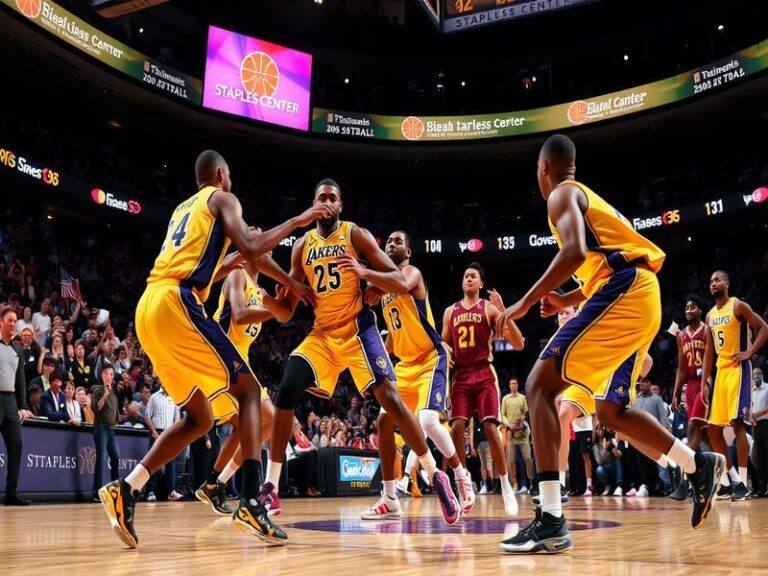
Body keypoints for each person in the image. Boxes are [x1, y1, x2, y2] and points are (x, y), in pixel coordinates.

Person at [496, 134, 724, 554]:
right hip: (639, 293)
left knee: (538, 385)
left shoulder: (561, 193)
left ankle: (550, 519)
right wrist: (567, 298)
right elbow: (599, 259)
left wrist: (524, 302)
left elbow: (573, 250)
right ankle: (697, 465)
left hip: (626, 290)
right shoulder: (587, 197)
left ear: (543, 169)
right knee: (611, 411)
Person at [97, 149, 329, 549]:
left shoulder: (183, 210)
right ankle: (253, 501)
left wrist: (290, 285)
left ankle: (128, 488)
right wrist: (300, 219)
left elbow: (237, 259)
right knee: (251, 391)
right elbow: (251, 247)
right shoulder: (223, 198)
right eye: (231, 176)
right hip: (177, 302)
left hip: (148, 306)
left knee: (199, 419)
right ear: (221, 174)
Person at [260, 179, 460, 529]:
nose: (326, 202)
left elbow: (397, 278)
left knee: (393, 405)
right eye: (321, 196)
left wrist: (368, 276)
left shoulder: (356, 236)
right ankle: (271, 487)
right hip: (322, 335)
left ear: (341, 206)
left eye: (332, 198)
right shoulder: (301, 247)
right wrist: (269, 296)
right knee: (287, 387)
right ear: (312, 203)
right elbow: (286, 313)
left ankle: (435, 474)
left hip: (358, 331)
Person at [362, 230, 474, 518]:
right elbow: (392, 337)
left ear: (408, 252)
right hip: (405, 366)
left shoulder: (409, 272)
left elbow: (400, 284)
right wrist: (376, 370)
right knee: (384, 422)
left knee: (427, 419)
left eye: (398, 241)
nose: (392, 244)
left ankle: (461, 475)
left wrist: (366, 273)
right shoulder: (385, 290)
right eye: (388, 242)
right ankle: (389, 498)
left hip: (429, 359)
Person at [196, 248, 293, 516]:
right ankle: (236, 491)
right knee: (262, 421)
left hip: (240, 362)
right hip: (220, 359)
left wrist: (274, 304)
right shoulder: (237, 274)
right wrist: (274, 310)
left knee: (254, 427)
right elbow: (238, 315)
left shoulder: (259, 291)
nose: (265, 246)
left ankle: (215, 484)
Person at [442, 262, 523, 516]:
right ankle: (464, 483)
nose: (468, 279)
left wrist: (503, 311)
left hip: (484, 374)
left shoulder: (488, 308)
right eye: (465, 275)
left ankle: (505, 485)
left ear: (480, 284)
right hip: (461, 377)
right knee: (456, 427)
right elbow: (442, 347)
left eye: (473, 276)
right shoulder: (449, 312)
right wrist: (442, 348)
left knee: (490, 427)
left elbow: (518, 343)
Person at [700, 270, 768, 501]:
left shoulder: (738, 306)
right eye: (710, 281)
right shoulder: (709, 315)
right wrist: (704, 382)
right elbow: (709, 351)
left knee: (737, 424)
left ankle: (743, 483)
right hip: (721, 373)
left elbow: (763, 327)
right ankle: (731, 483)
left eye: (717, 279)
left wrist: (750, 351)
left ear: (727, 283)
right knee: (712, 430)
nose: (713, 283)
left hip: (739, 369)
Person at [669, 296, 709, 500]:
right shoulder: (681, 335)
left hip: (705, 383)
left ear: (700, 311)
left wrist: (707, 384)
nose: (688, 310)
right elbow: (682, 368)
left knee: (694, 428)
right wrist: (676, 393)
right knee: (708, 437)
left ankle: (684, 482)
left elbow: (712, 359)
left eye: (693, 307)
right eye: (686, 307)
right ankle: (731, 480)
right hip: (690, 386)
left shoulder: (707, 330)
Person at [0, 306, 33, 505]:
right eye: (10, 320)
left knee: (16, 446)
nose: (13, 324)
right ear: (1, 322)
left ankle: (11, 494)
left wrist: (22, 405)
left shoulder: (17, 349)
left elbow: (20, 380)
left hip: (11, 402)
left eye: (15, 321)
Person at [91, 364, 121, 502]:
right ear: (103, 375)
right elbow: (96, 408)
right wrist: (105, 395)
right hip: (101, 427)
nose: (110, 377)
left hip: (111, 428)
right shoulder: (98, 389)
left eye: (112, 374)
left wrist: (118, 417)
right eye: (108, 374)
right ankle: (96, 493)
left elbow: (114, 410)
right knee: (101, 458)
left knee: (116, 457)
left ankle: (115, 491)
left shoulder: (114, 392)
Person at [502, 377, 533, 494]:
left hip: (523, 433)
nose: (513, 386)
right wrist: (508, 424)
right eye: (511, 384)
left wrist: (522, 419)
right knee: (510, 460)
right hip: (511, 433)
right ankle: (514, 483)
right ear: (509, 386)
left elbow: (526, 411)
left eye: (514, 384)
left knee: (528, 458)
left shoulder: (522, 398)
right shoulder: (505, 399)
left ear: (517, 385)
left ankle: (531, 484)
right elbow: (502, 415)